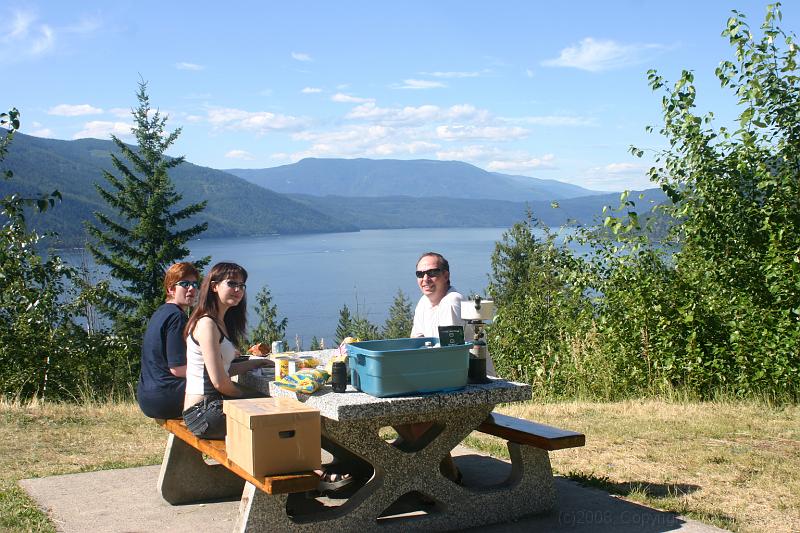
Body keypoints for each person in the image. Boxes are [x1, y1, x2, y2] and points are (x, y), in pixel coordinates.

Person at [182, 262, 273, 440]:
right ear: (214, 286)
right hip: (203, 413)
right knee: (281, 414)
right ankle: (307, 466)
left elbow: (223, 370)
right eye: (231, 283)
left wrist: (256, 362)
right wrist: (251, 397)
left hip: (210, 408)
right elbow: (219, 383)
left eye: (241, 285)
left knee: (284, 412)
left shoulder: (219, 322)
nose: (238, 290)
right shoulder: (207, 324)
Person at [137, 262, 200, 420]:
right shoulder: (177, 317)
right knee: (227, 392)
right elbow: (177, 369)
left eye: (194, 284)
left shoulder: (162, 312)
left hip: (147, 398)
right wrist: (216, 369)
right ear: (171, 289)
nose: (191, 288)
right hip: (166, 399)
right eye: (184, 284)